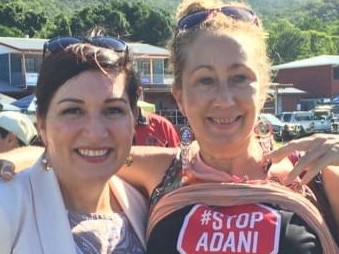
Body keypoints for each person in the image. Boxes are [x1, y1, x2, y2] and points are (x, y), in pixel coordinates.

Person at [1, 1, 339, 252]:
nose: (223, 99)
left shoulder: (317, 175)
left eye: (240, 78)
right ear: (179, 95)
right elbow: (86, 150)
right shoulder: (163, 171)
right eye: (205, 80)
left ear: (264, 88)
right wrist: (14, 161)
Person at [0, 36, 147, 253]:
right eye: (73, 111)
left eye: (113, 110)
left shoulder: (141, 205)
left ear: (133, 118)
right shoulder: (8, 207)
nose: (96, 132)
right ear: (42, 123)